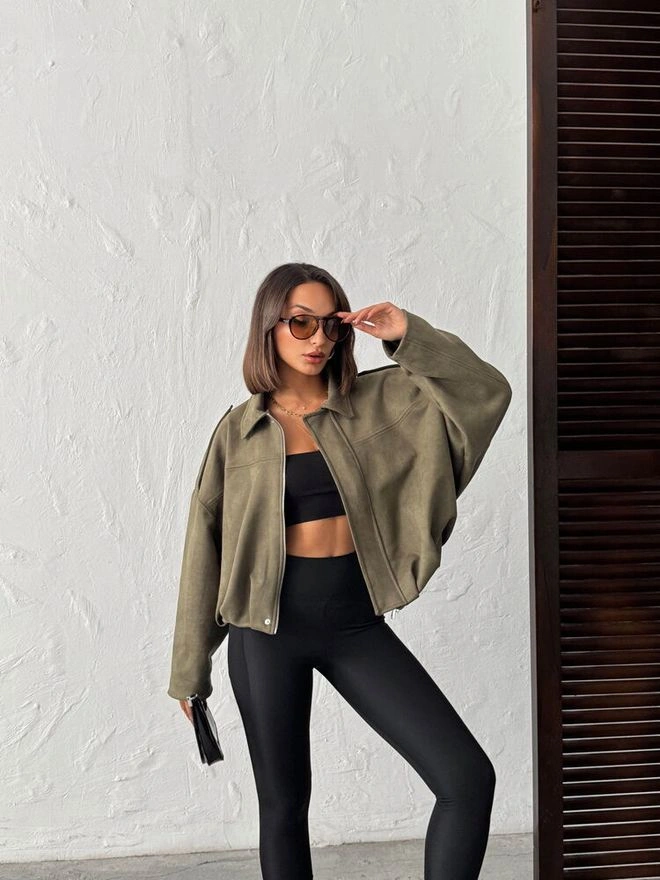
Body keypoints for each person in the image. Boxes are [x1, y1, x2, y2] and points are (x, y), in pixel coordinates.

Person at [167, 262, 512, 880]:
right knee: (284, 809)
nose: (318, 339)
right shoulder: (238, 432)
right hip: (265, 634)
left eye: (331, 325)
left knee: (465, 778)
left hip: (354, 624)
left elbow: (486, 391)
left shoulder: (382, 400)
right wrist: (190, 673)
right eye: (301, 323)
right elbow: (205, 550)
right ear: (269, 327)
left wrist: (406, 334)